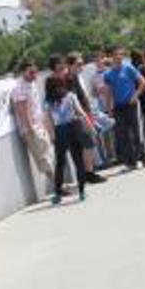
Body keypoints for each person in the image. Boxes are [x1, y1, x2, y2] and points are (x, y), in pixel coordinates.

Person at [103, 46, 145, 171]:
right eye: (116, 55)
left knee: (137, 133)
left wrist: (135, 96)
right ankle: (131, 163)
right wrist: (109, 110)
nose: (118, 57)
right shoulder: (108, 74)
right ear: (111, 57)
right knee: (124, 136)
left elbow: (143, 82)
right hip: (118, 107)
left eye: (120, 54)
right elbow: (108, 93)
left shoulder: (128, 68)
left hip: (132, 105)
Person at [44, 73, 89, 204]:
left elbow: (48, 119)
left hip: (59, 130)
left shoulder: (48, 101)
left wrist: (51, 135)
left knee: (60, 163)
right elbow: (80, 111)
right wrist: (88, 124)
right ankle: (82, 191)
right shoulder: (70, 95)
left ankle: (58, 193)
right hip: (73, 127)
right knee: (78, 160)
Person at [9, 60, 55, 186]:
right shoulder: (19, 88)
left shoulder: (32, 84)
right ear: (23, 72)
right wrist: (31, 130)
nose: (34, 75)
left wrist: (44, 123)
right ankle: (57, 185)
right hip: (31, 128)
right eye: (31, 72)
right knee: (43, 157)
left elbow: (37, 107)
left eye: (36, 72)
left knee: (49, 154)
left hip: (39, 125)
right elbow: (22, 112)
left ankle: (57, 183)